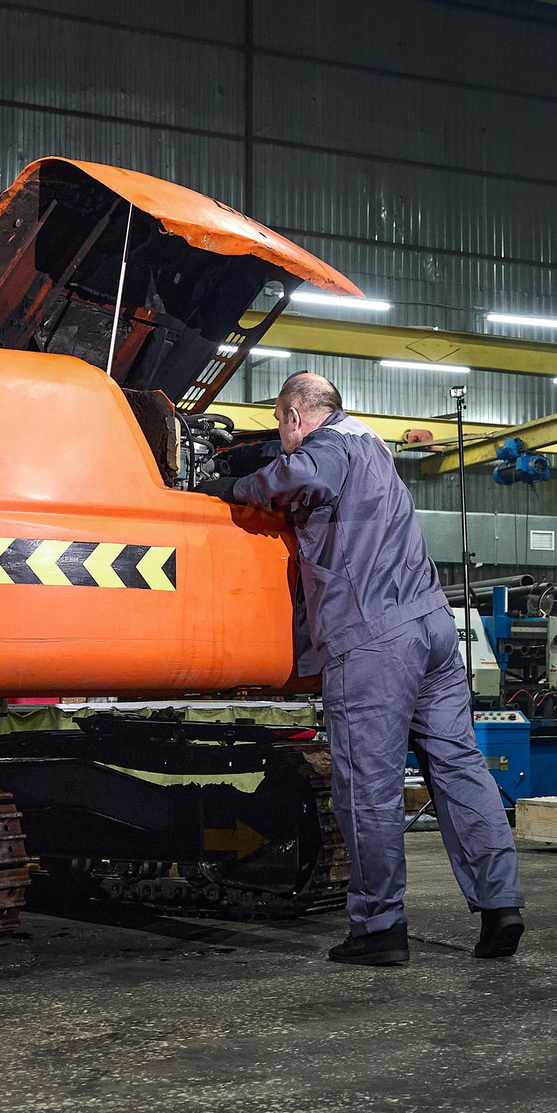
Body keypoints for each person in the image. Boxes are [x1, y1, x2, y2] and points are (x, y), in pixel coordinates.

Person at [205, 371, 525, 967]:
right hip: (433, 626)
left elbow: (300, 474)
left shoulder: (324, 449)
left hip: (374, 639)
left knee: (368, 787)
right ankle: (500, 906)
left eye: (282, 426)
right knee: (459, 767)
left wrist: (230, 486)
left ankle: (379, 928)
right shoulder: (372, 445)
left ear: (295, 417)